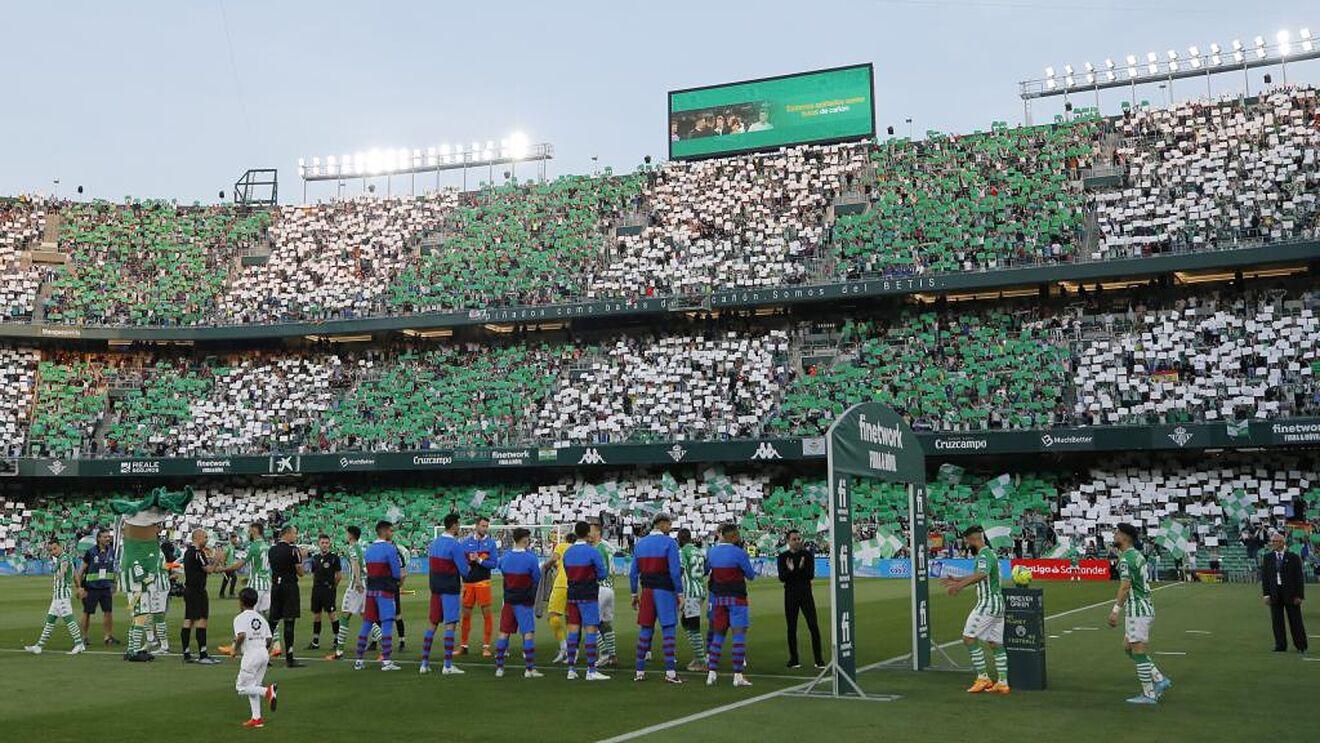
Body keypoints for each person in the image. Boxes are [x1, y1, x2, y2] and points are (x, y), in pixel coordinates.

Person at [1108, 522, 1173, 705]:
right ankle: (1159, 679)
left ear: (1125, 537)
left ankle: (1150, 694)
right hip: (1145, 606)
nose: (1115, 535)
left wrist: (1115, 611)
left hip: (1137, 609)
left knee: (1137, 649)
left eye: (1118, 533)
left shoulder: (1125, 559)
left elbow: (1125, 585)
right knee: (1128, 647)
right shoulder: (1137, 555)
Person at [941, 525, 1010, 695]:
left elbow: (981, 574)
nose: (967, 545)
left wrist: (959, 586)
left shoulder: (984, 555)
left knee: (969, 638)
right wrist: (958, 579)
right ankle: (1002, 682)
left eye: (967, 542)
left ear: (973, 540)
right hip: (999, 604)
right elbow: (981, 575)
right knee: (995, 643)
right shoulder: (990, 554)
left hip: (988, 603)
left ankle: (983, 678)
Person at [629, 514, 684, 683]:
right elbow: (675, 572)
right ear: (662, 524)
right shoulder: (670, 543)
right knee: (668, 629)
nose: (671, 526)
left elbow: (633, 573)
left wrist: (633, 593)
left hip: (647, 591)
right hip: (665, 591)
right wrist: (680, 593)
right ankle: (670, 672)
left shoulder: (641, 543)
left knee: (646, 629)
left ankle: (639, 671)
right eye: (669, 524)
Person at [705, 523, 756, 687]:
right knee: (738, 635)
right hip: (737, 599)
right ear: (733, 536)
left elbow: (706, 570)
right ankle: (737, 675)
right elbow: (751, 575)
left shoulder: (712, 552)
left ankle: (712, 673)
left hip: (719, 599)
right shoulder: (739, 553)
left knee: (718, 635)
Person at [419, 513, 471, 675]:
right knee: (450, 625)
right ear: (454, 525)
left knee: (432, 624)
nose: (460, 527)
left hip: (435, 589)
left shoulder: (434, 543)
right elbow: (465, 571)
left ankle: (424, 663)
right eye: (459, 524)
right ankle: (447, 665)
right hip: (449, 588)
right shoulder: (455, 545)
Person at [562, 521, 610, 681]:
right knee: (590, 630)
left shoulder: (568, 552)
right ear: (587, 533)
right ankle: (591, 670)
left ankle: (571, 669)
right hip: (588, 594)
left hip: (572, 594)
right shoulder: (592, 552)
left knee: (573, 630)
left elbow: (566, 571)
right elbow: (603, 574)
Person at [494, 527, 543, 678]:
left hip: (509, 599)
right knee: (528, 633)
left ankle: (499, 668)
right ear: (524, 539)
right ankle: (529, 669)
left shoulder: (506, 556)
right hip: (524, 600)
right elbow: (536, 577)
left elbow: (501, 569)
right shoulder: (531, 558)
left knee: (504, 633)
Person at [25, 538, 87, 655]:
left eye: (55, 548)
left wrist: (62, 573)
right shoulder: (66, 557)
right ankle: (39, 646)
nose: (53, 551)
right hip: (57, 596)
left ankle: (79, 644)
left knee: (69, 619)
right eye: (51, 550)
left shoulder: (64, 557)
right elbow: (74, 573)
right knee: (50, 621)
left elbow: (64, 567)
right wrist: (78, 587)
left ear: (60, 546)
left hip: (62, 595)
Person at [354, 520, 402, 671]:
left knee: (367, 623)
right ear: (385, 531)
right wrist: (398, 581)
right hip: (385, 590)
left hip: (371, 591)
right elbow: (396, 573)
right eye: (391, 531)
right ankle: (386, 661)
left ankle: (359, 660)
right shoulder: (390, 549)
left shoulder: (369, 549)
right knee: (387, 622)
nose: (392, 533)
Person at [229, 587, 278, 729]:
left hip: (251, 655)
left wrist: (234, 650)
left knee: (241, 688)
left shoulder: (239, 618)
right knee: (253, 687)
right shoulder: (261, 618)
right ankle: (257, 718)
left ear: (241, 602)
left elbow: (241, 635)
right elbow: (269, 638)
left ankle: (267, 691)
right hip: (263, 653)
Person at [777, 529, 824, 669]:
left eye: (798, 539)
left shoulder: (807, 555)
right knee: (791, 628)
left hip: (805, 594)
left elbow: (810, 575)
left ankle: (819, 659)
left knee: (813, 626)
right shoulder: (783, 557)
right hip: (790, 595)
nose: (797, 541)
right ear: (788, 541)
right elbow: (782, 577)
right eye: (794, 539)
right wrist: (794, 570)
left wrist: (795, 570)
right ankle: (794, 659)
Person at [180, 528, 222, 664]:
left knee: (188, 620)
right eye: (205, 537)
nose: (207, 539)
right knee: (202, 620)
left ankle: (186, 653)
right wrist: (216, 560)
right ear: (197, 537)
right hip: (197, 591)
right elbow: (209, 569)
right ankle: (203, 654)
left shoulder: (188, 552)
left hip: (189, 589)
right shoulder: (198, 553)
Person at [1261, 531, 1308, 653]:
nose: (1274, 544)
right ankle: (1280, 645)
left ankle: (1301, 645)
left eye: (1276, 541)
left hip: (1291, 593)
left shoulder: (1293, 557)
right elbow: (1265, 577)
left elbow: (1299, 578)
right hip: (1275, 593)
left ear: (1283, 543)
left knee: (1295, 620)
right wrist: (1266, 594)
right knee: (1277, 621)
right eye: (1273, 542)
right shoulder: (1268, 558)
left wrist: (1299, 595)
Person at [459, 516, 499, 657]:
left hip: (483, 583)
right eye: (482, 525)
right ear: (476, 526)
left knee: (487, 615)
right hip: (468, 584)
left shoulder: (491, 544)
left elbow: (494, 564)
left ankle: (486, 647)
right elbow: (461, 562)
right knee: (466, 615)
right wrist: (467, 564)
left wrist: (479, 560)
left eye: (486, 526)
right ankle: (464, 646)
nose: (484, 528)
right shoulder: (465, 543)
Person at [267, 526, 306, 668]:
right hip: (289, 587)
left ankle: (263, 655)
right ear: (288, 534)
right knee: (289, 621)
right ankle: (289, 658)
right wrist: (303, 558)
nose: (296, 536)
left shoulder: (272, 550)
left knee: (272, 621)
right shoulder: (294, 550)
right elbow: (300, 572)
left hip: (276, 587)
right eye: (295, 533)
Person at [75, 527, 119, 646]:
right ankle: (84, 637)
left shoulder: (112, 551)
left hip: (105, 587)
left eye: (108, 536)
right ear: (99, 538)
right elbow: (80, 571)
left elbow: (112, 569)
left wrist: (114, 583)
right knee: (87, 612)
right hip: (91, 588)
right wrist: (79, 587)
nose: (107, 539)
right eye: (105, 537)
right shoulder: (91, 552)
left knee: (108, 612)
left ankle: (108, 636)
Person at [328, 526, 365, 660]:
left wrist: (358, 581)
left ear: (351, 535)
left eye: (346, 533)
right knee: (366, 617)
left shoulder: (352, 547)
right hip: (364, 583)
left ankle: (339, 651)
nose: (345, 535)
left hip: (355, 585)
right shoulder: (359, 547)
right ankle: (385, 649)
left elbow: (356, 564)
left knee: (345, 615)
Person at [677, 528, 709, 671]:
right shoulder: (699, 551)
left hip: (690, 592)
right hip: (700, 589)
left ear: (680, 539)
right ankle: (699, 656)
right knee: (685, 621)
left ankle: (701, 660)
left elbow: (681, 570)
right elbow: (706, 569)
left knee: (692, 625)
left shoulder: (683, 552)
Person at [589, 521, 618, 666]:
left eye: (591, 531)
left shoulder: (597, 549)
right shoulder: (608, 546)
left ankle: (604, 653)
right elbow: (613, 570)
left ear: (597, 533)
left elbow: (600, 569)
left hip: (599, 587)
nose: (588, 534)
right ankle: (612, 656)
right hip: (609, 588)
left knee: (591, 622)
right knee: (606, 623)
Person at [307, 534, 341, 651]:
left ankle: (337, 640)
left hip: (328, 589)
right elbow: (313, 574)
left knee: (332, 615)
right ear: (319, 544)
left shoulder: (334, 558)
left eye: (327, 543)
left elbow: (338, 575)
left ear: (329, 544)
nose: (325, 545)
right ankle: (315, 641)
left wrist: (333, 586)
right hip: (317, 589)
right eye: (323, 543)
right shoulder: (315, 558)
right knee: (316, 615)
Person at [546, 531, 576, 663]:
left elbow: (553, 559)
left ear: (565, 539)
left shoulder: (561, 546)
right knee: (571, 618)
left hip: (561, 584)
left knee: (553, 616)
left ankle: (563, 647)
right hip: (574, 584)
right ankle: (572, 651)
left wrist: (544, 567)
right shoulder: (577, 549)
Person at [218, 533, 242, 598]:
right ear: (231, 539)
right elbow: (223, 556)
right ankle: (231, 593)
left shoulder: (232, 547)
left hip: (231, 566)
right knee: (234, 578)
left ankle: (221, 594)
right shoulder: (228, 547)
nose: (236, 541)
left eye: (236, 539)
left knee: (226, 580)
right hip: (228, 566)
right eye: (235, 539)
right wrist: (223, 566)